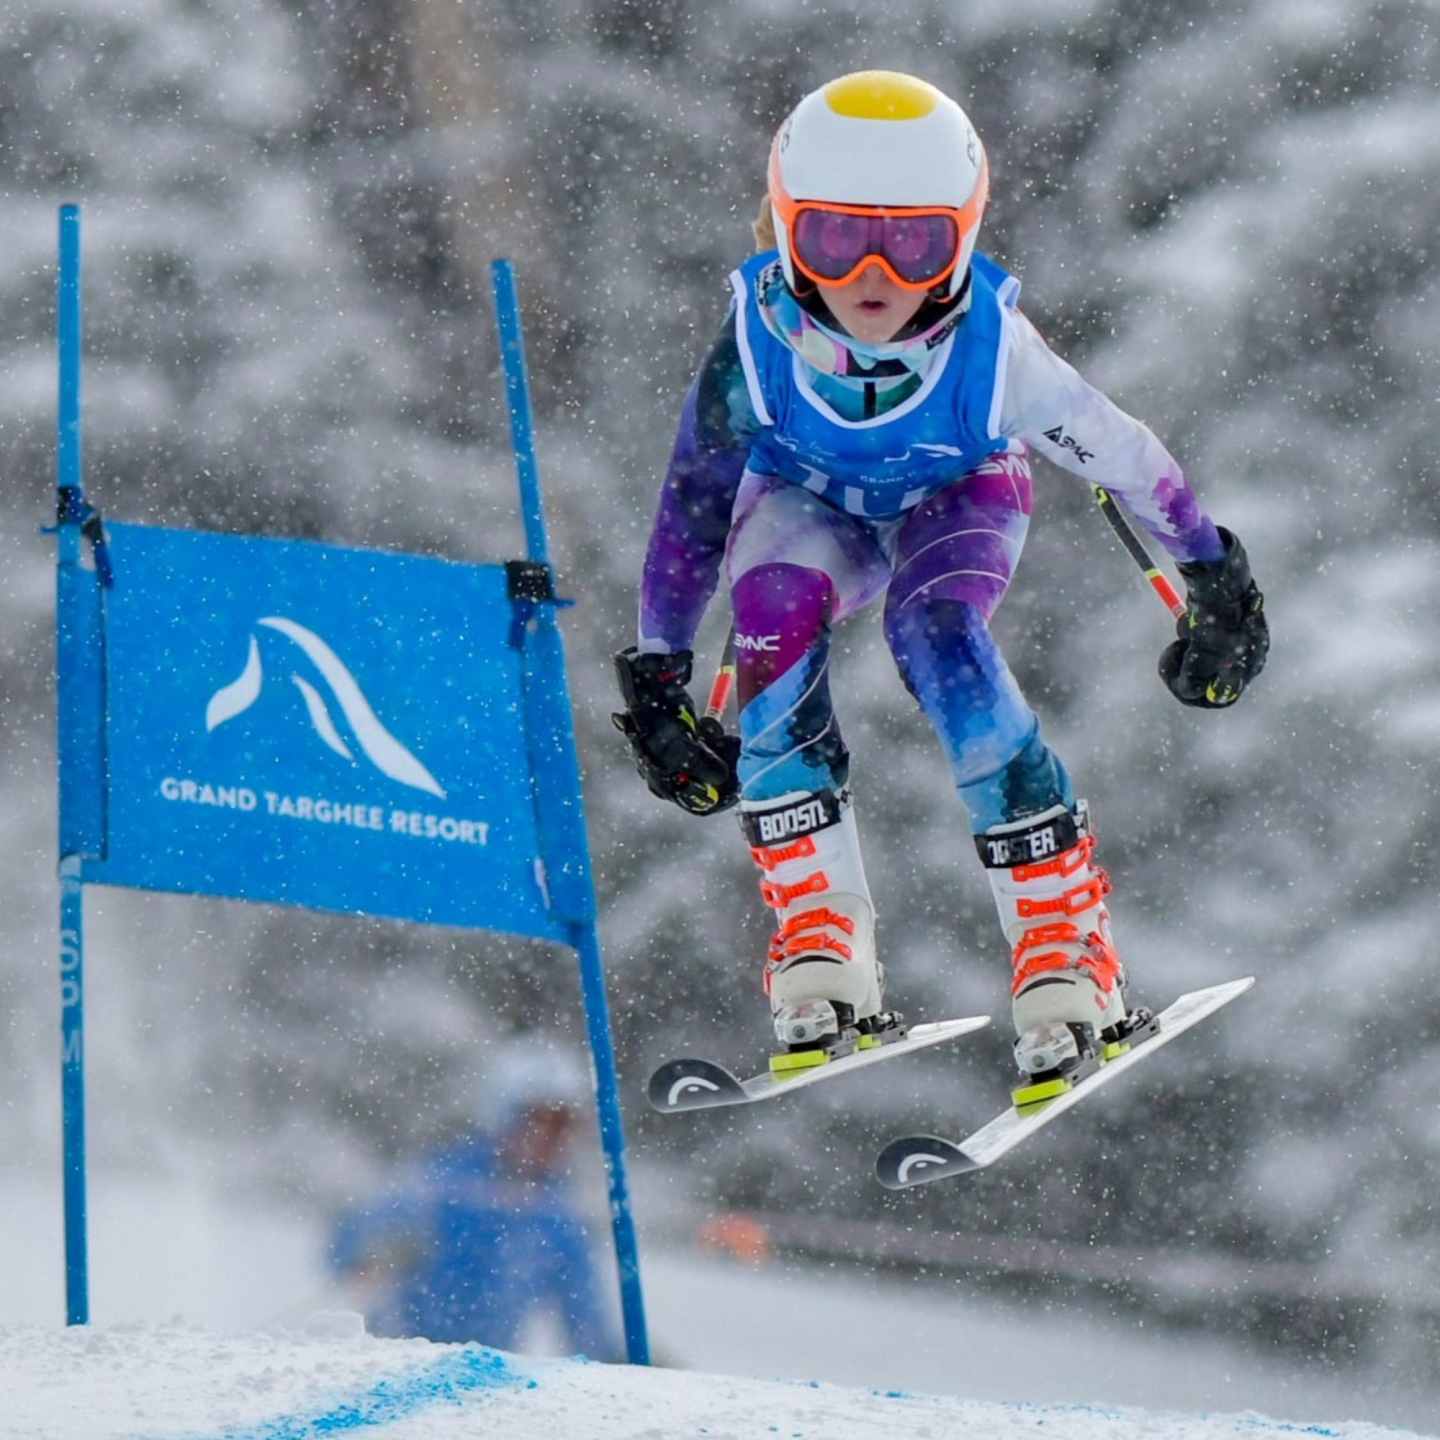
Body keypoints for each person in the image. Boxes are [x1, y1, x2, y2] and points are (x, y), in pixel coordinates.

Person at [612, 70, 1268, 1108]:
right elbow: (692, 503)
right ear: (786, 230)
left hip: (955, 498)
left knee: (937, 632)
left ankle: (1065, 940)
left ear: (961, 237)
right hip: (808, 502)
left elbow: (1122, 456)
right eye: (834, 240)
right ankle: (822, 937)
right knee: (772, 618)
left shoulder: (991, 353)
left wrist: (1212, 572)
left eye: (913, 244)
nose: (873, 275)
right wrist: (656, 671)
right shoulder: (754, 344)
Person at [328, 1039, 620, 1358]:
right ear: (503, 1113)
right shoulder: (443, 1180)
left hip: (481, 1382)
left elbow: (586, 1322)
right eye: (538, 1121)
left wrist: (633, 1374)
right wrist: (375, 1248)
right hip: (394, 1360)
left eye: (564, 1125)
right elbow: (344, 1245)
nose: (551, 1138)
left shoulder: (558, 1213)